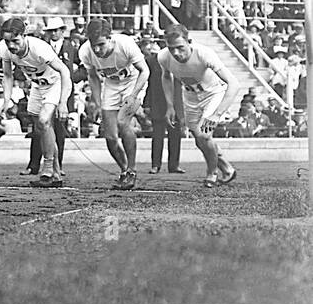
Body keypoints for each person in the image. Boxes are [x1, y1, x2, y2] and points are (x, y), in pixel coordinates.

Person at [158, 25, 241, 187]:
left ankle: (212, 174)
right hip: (190, 96)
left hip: (213, 94)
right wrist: (170, 105)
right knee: (199, 140)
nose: (176, 53)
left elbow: (234, 84)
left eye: (180, 48)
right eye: (171, 48)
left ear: (189, 42)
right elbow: (166, 77)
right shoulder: (163, 57)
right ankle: (227, 168)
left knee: (204, 136)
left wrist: (217, 114)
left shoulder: (204, 54)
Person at [0, 17, 72, 187]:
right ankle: (56, 174)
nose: (11, 46)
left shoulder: (39, 48)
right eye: (7, 41)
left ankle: (46, 168)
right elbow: (8, 76)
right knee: (42, 128)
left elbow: (64, 72)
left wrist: (63, 102)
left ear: (24, 36)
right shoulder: (5, 49)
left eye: (15, 41)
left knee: (45, 120)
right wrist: (6, 100)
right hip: (37, 86)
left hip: (55, 83)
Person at [79, 17, 149, 190]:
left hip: (133, 82)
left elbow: (145, 71)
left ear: (110, 38)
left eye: (101, 44)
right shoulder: (86, 51)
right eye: (93, 44)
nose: (97, 50)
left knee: (122, 122)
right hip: (111, 84)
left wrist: (133, 96)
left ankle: (132, 171)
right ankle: (124, 170)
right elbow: (93, 77)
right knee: (110, 136)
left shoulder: (125, 44)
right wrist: (96, 102)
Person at [141, 37, 183, 173]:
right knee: (157, 135)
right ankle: (155, 165)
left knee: (175, 135)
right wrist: (147, 103)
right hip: (158, 102)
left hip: (176, 102)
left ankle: (174, 165)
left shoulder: (179, 61)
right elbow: (149, 84)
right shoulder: (152, 62)